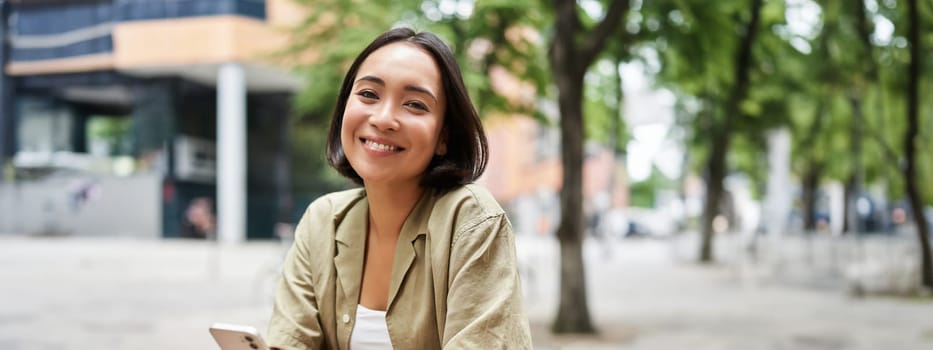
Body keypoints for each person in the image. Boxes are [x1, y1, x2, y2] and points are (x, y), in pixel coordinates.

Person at [266, 27, 532, 349]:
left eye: (415, 105)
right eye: (368, 94)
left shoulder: (472, 221)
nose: (383, 118)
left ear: (443, 137)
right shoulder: (321, 222)